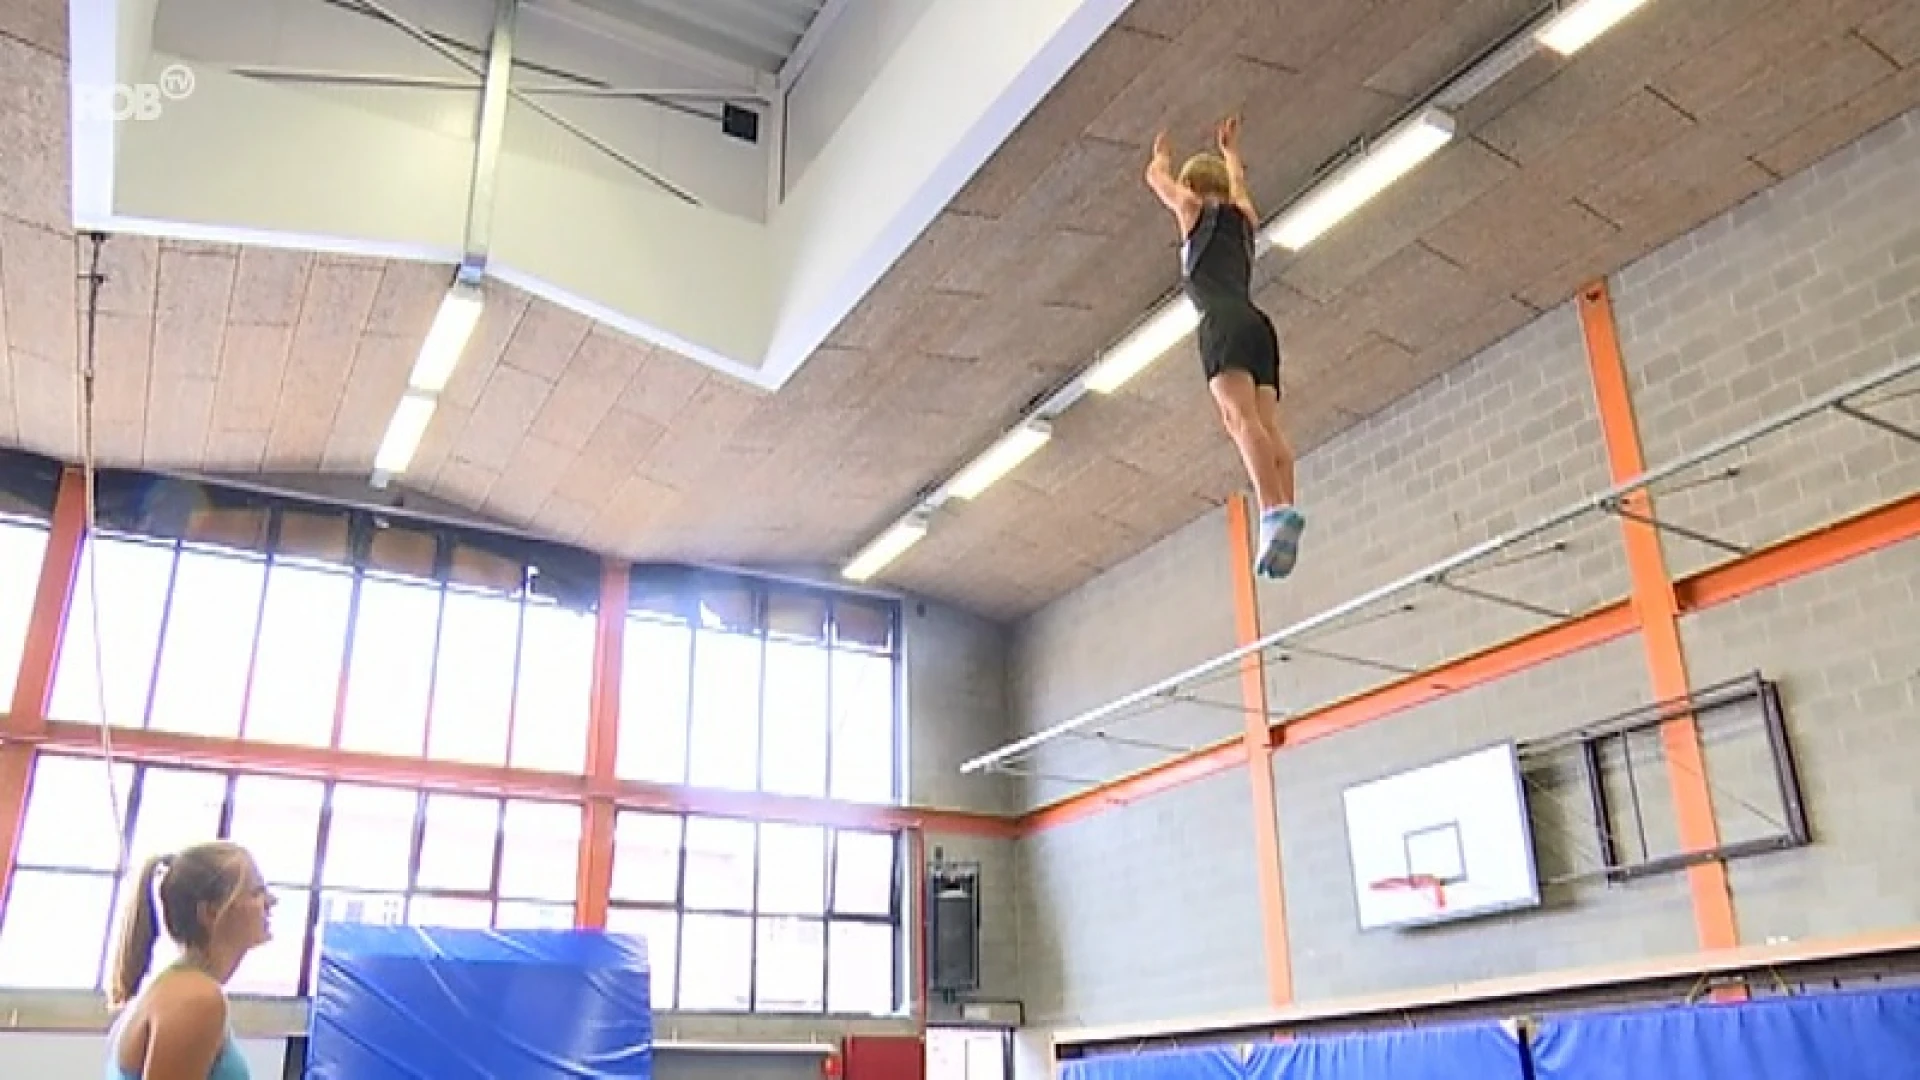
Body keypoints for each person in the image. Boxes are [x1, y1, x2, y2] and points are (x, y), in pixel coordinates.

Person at [1145, 114, 1305, 579]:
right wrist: (1232, 153)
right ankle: (1285, 510)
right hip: (1259, 325)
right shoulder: (1245, 219)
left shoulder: (1193, 208)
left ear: (1193, 185)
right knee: (1267, 425)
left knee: (1240, 421)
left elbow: (1156, 181)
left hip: (1222, 322)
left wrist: (1160, 160)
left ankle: (1273, 510)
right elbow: (1238, 186)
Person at [103, 840, 277, 1080]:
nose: (271, 901)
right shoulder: (196, 999)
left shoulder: (182, 987)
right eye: (256, 892)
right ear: (210, 913)